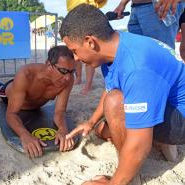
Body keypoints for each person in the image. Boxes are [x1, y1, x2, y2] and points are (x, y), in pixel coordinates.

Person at [60, 4, 185, 185]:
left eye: (74, 51)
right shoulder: (114, 47)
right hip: (164, 100)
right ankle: (161, 144)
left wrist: (115, 183)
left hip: (180, 120)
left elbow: (138, 145)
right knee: (102, 129)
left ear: (90, 42)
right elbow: (113, 85)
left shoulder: (136, 67)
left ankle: (133, 175)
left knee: (114, 103)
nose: (76, 58)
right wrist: (91, 122)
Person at [0, 46, 76, 158]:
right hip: (10, 93)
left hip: (34, 105)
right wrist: (25, 135)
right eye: (63, 71)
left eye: (72, 71)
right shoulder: (26, 74)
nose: (68, 77)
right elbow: (11, 114)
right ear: (49, 65)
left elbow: (59, 112)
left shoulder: (68, 79)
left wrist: (63, 129)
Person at [66, 0, 108, 95]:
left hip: (88, 13)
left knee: (88, 51)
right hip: (72, 14)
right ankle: (79, 78)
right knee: (75, 51)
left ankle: (88, 84)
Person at [114, 0, 184, 49]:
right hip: (136, 7)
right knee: (140, 57)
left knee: (161, 55)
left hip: (158, 5)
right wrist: (122, 3)